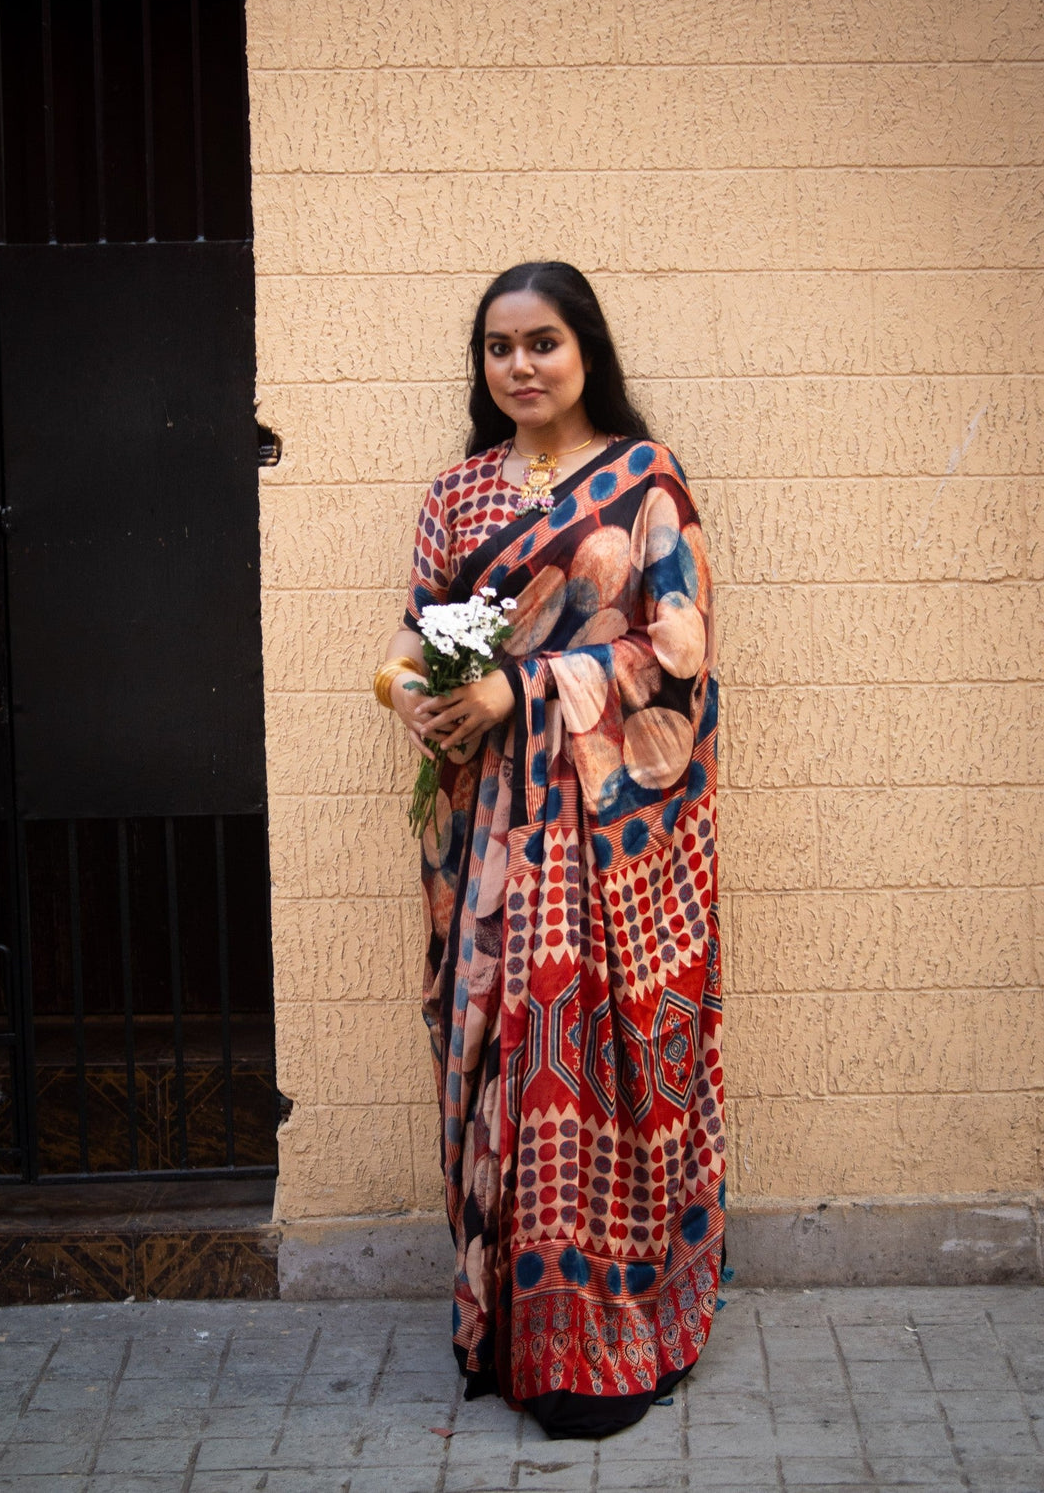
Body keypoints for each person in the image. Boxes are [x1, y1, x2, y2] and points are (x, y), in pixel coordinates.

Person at [372, 262, 725, 1439]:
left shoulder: (643, 483)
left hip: (607, 844)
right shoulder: (460, 495)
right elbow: (417, 640)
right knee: (502, 1068)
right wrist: (410, 695)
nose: (519, 366)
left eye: (543, 343)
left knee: (589, 1059)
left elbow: (677, 655)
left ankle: (606, 1340)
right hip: (488, 840)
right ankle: (510, 1331)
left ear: (585, 351)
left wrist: (527, 686)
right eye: (498, 348)